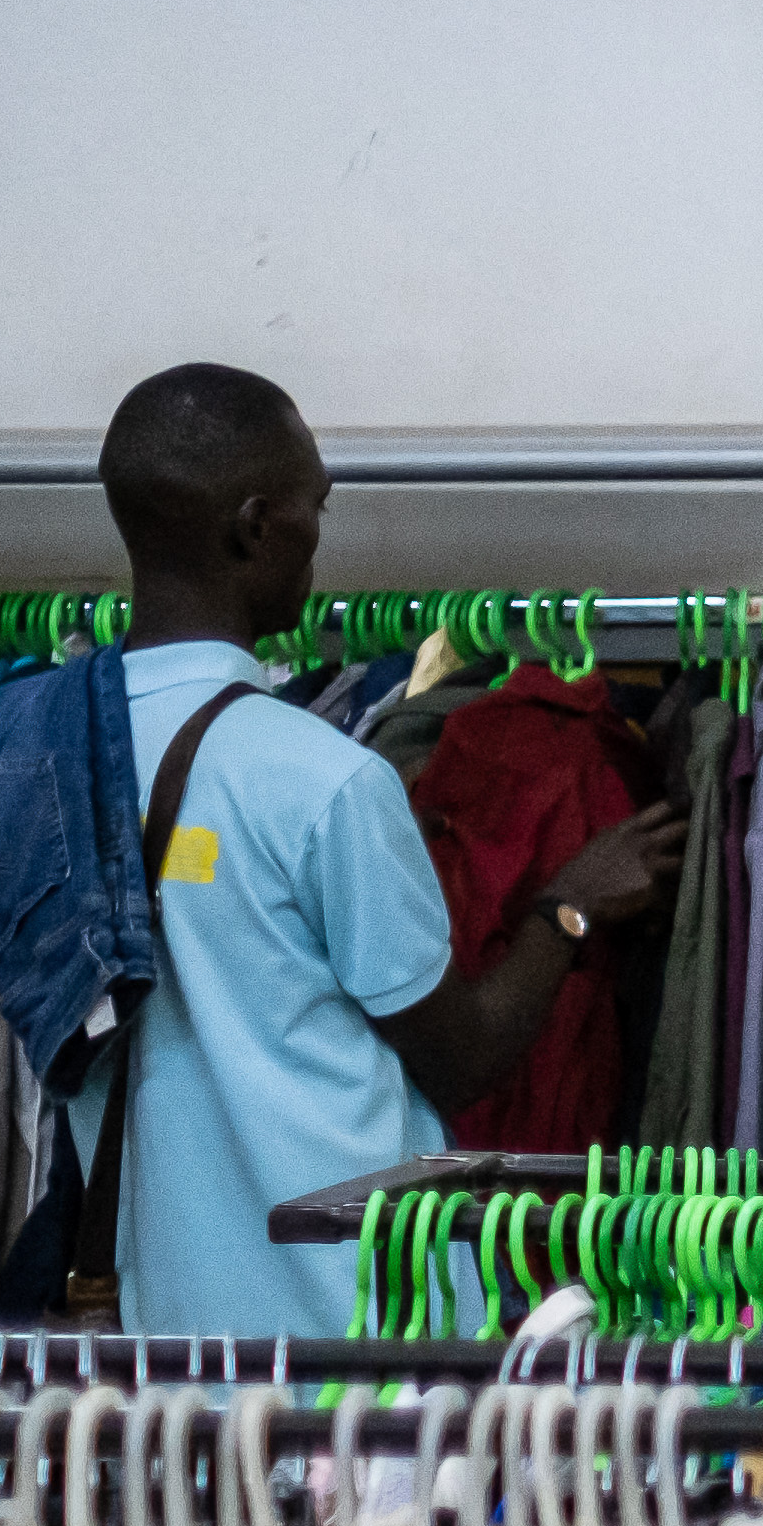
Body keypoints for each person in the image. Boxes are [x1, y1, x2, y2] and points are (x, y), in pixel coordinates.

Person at [90, 364, 678, 1336]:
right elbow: (461, 1055)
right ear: (254, 525)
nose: (321, 533)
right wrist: (567, 905)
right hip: (360, 1328)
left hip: (168, 1325)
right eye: (314, 505)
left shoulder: (37, 755)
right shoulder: (324, 779)